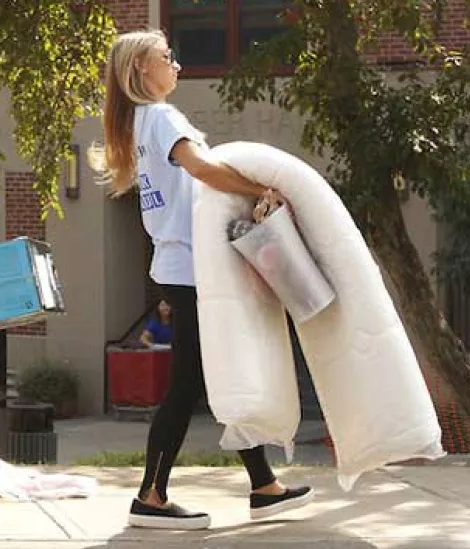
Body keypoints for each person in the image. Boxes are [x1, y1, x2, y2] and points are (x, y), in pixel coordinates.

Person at [93, 30, 313, 530]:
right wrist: (263, 188)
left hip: (179, 268)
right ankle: (151, 495)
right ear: (141, 72)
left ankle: (263, 486)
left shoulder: (138, 125)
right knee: (190, 380)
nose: (177, 65)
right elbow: (204, 170)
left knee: (215, 372)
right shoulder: (163, 118)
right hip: (192, 271)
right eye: (166, 58)